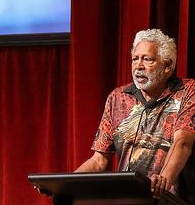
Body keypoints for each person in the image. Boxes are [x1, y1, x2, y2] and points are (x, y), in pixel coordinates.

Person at [75, 29, 195, 201]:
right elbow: (99, 160)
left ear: (168, 66)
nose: (139, 66)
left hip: (172, 199)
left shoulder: (188, 92)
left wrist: (163, 182)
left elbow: (182, 143)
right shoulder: (118, 97)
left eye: (147, 59)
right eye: (135, 59)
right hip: (126, 199)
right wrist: (65, 186)